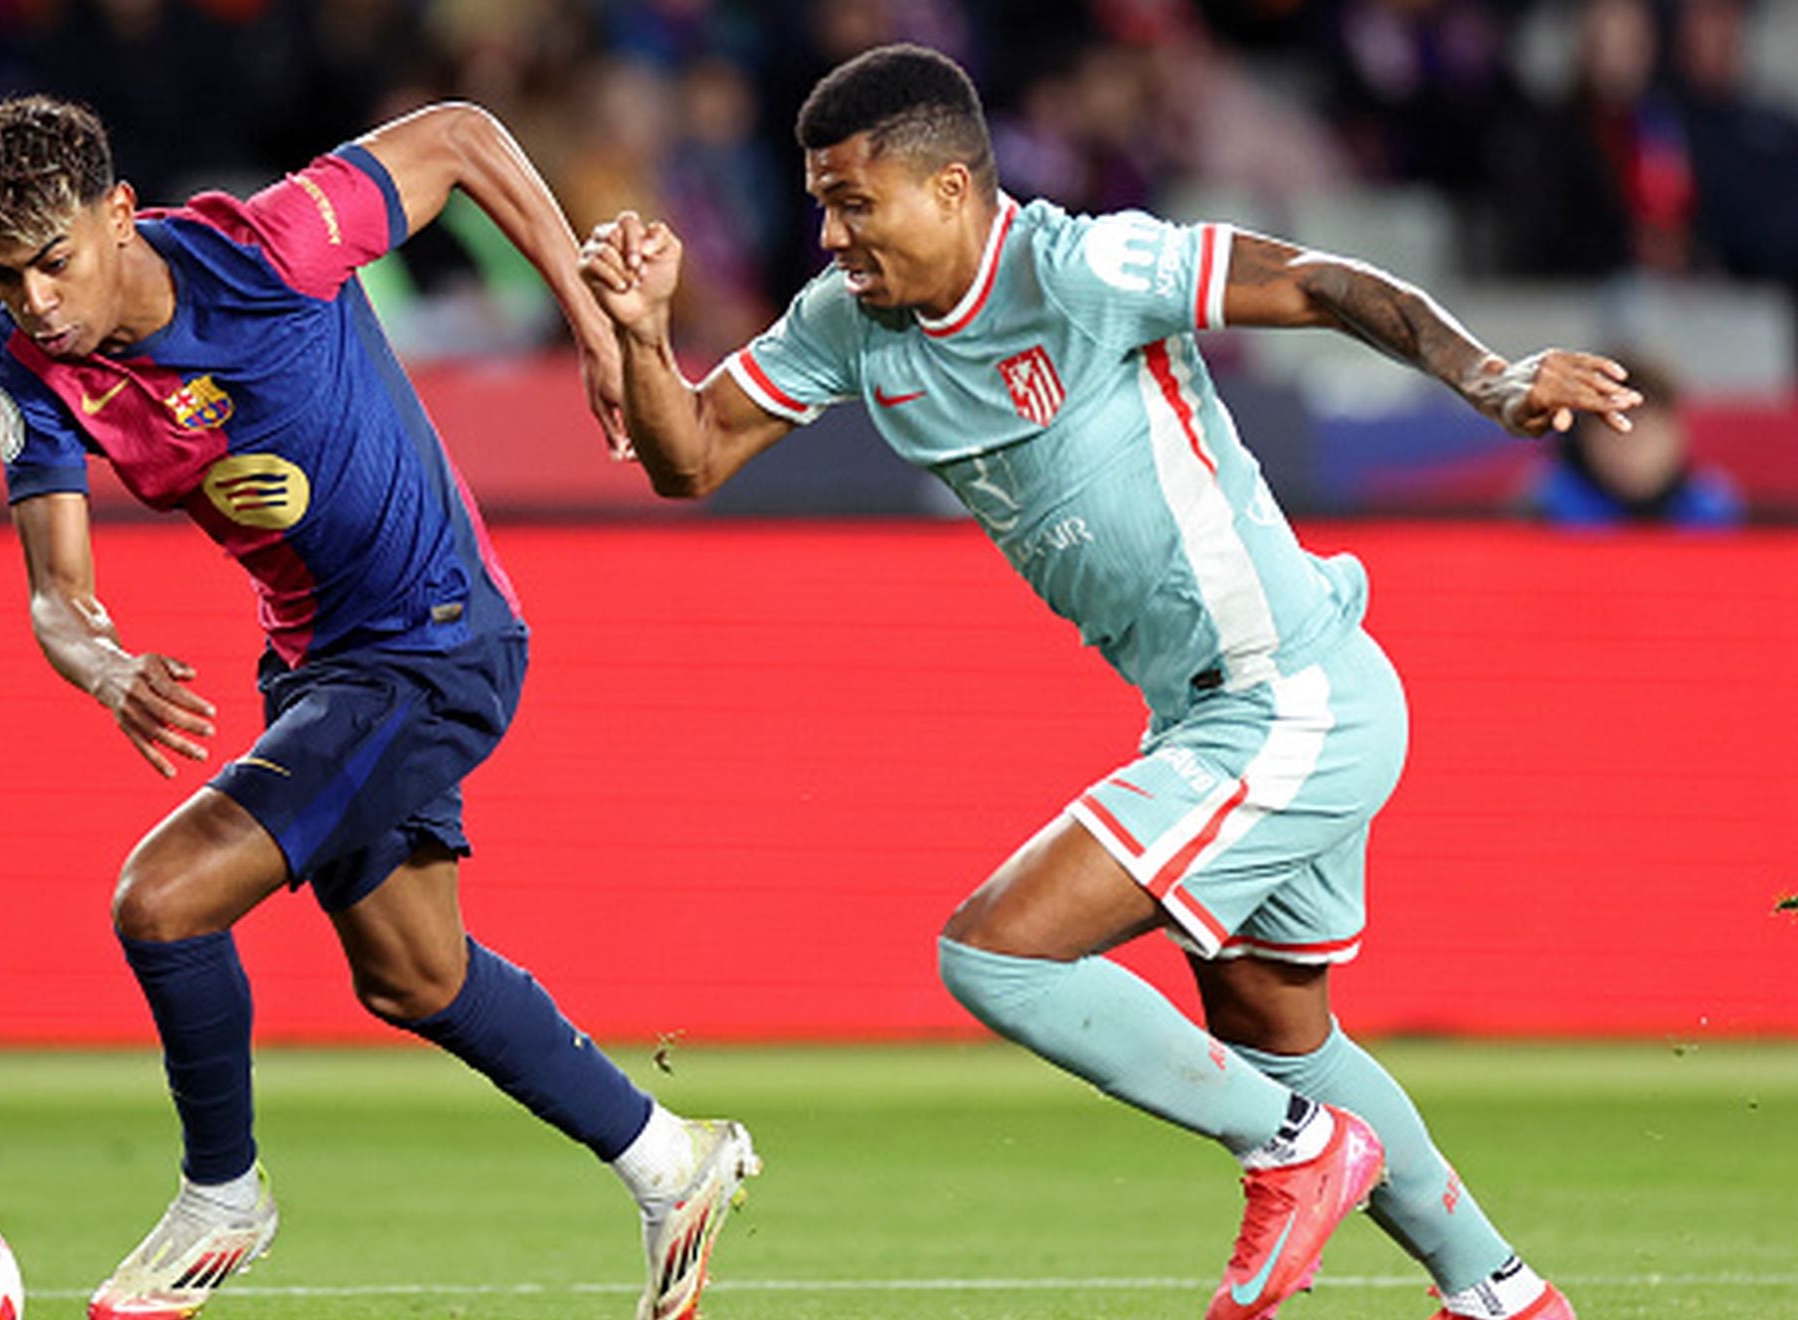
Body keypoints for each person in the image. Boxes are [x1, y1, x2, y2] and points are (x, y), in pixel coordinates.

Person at [582, 43, 1632, 1320]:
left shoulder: (1081, 267)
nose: (831, 233)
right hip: (1217, 710)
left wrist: (1492, 376)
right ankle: (1502, 1296)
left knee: (996, 957)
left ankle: (1290, 1151)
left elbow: (1316, 280)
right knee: (1277, 1034)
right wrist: (640, 337)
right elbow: (686, 457)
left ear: (953, 189)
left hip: (1287, 693)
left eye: (856, 202)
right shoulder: (844, 327)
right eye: (819, 202)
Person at [0, 90, 757, 1320]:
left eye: (54, 262)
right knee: (414, 976)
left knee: (161, 900)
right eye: (5, 277)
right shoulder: (28, 361)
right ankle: (669, 1161)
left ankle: (223, 1197)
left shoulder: (275, 244)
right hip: (318, 669)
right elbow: (58, 594)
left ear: (116, 217)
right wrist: (105, 666)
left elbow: (466, 134)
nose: (39, 301)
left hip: (434, 642)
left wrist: (591, 322)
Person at [1530, 349, 1740, 527]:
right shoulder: (1541, 516)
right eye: (1615, 433)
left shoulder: (1716, 516)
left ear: (1676, 436)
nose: (1632, 448)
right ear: (1585, 439)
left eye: (1648, 433)